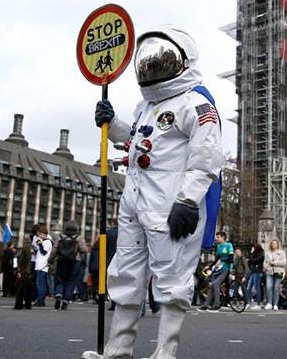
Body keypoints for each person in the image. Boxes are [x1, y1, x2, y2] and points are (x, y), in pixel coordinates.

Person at [83, 25, 223, 359]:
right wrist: (112, 122)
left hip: (171, 206)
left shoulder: (196, 105)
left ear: (182, 60)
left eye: (159, 64)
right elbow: (135, 141)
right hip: (135, 202)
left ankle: (165, 352)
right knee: (126, 276)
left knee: (172, 281)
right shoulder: (145, 108)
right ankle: (119, 349)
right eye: (147, 64)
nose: (152, 70)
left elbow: (207, 157)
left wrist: (189, 200)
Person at [50, 221, 88, 310]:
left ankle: (58, 294)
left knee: (59, 279)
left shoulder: (60, 237)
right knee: (71, 282)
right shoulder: (78, 238)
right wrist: (83, 262)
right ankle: (65, 301)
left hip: (61, 261)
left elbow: (54, 250)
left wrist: (50, 260)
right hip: (75, 263)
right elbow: (84, 250)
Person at [200, 231, 233, 312]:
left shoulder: (229, 245)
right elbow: (216, 259)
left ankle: (217, 305)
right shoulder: (219, 247)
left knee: (215, 284)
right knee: (212, 287)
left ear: (223, 237)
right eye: (216, 237)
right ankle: (206, 305)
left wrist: (222, 261)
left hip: (225, 268)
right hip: (217, 269)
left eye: (218, 237)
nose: (216, 238)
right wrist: (210, 266)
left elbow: (230, 259)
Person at [31, 226, 52, 306]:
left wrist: (40, 243)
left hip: (42, 266)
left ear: (44, 234)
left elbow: (44, 252)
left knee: (40, 284)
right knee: (39, 283)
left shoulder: (48, 242)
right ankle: (40, 300)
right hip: (39, 265)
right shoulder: (44, 241)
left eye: (41, 234)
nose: (40, 236)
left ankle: (41, 300)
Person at [264, 239, 286, 311]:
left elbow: (284, 262)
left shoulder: (281, 252)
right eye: (272, 243)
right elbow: (265, 262)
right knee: (268, 287)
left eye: (275, 243)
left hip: (278, 271)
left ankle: (275, 304)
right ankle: (269, 303)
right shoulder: (268, 253)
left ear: (277, 245)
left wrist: (275, 263)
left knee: (276, 288)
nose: (274, 245)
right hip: (269, 271)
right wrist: (266, 267)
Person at [14, 235, 34, 310]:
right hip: (31, 270)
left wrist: (19, 268)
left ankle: (18, 305)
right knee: (29, 289)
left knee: (21, 289)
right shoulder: (32, 247)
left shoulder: (25, 247)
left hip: (25, 270)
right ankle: (28, 304)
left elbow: (22, 259)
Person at [246, 244, 265, 310]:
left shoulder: (261, 255)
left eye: (253, 248)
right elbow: (249, 262)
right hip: (253, 272)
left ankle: (258, 304)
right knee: (248, 288)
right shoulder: (253, 255)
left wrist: (251, 254)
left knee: (257, 288)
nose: (252, 249)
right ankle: (248, 302)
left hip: (258, 272)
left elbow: (254, 260)